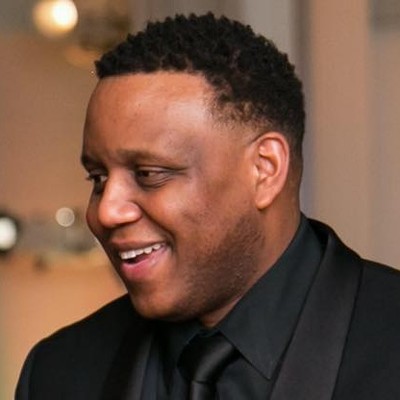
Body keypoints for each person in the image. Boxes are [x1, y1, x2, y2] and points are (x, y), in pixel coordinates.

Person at [16, 13, 400, 400]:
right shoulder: (57, 372)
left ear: (264, 169)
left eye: (149, 174)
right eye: (98, 178)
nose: (105, 212)